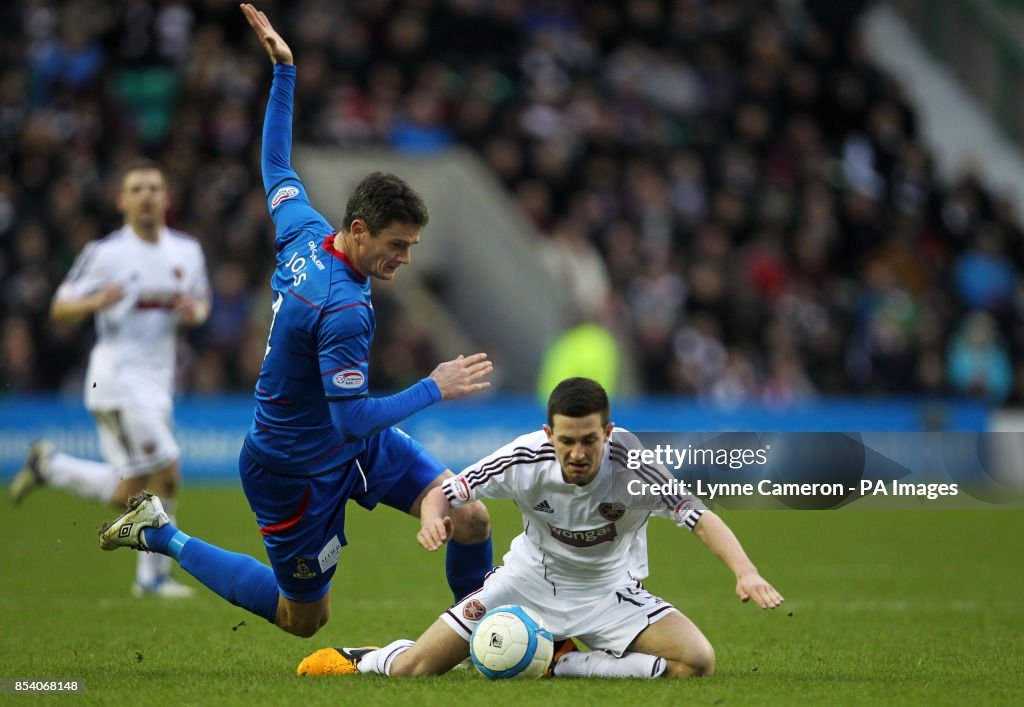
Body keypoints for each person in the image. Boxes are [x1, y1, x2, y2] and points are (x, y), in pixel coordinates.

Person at [96, 3, 494, 639]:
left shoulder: (305, 231)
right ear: (359, 230)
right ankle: (160, 533)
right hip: (292, 470)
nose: (405, 258)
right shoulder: (341, 309)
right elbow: (351, 415)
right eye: (397, 244)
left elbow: (276, 167)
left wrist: (284, 72)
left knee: (469, 514)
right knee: (302, 618)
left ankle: (482, 631)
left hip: (353, 451)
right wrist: (434, 387)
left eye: (413, 245)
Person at [297, 377, 784, 679]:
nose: (577, 453)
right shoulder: (524, 456)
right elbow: (447, 490)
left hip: (608, 593)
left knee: (697, 662)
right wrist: (431, 519)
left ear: (607, 434)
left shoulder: (635, 464)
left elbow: (700, 517)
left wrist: (745, 571)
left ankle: (563, 663)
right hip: (524, 584)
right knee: (414, 670)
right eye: (566, 440)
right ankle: (365, 658)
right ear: (549, 434)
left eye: (590, 440)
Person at [9, 158, 210, 599]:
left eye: (154, 188)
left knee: (130, 491)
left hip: (158, 382)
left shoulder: (187, 252)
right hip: (116, 379)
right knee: (168, 473)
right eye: (137, 188)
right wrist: (98, 299)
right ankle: (152, 577)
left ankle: (50, 465)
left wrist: (194, 312)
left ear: (166, 198)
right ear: (121, 200)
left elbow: (201, 306)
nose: (147, 196)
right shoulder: (105, 254)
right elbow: (60, 306)